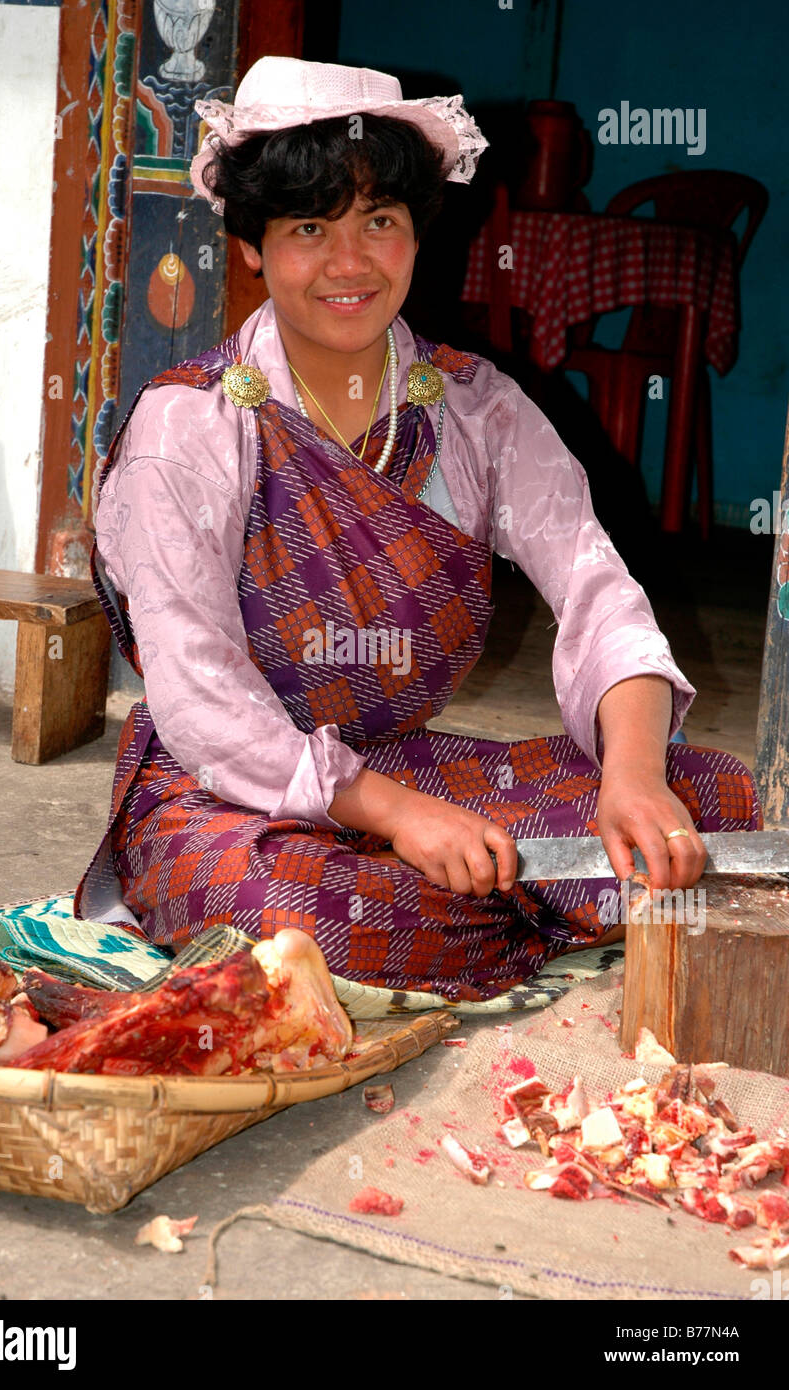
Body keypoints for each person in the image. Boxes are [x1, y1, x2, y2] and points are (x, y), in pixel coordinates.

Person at [75, 57, 759, 1003]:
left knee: (710, 799)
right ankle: (518, 905)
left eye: (380, 223)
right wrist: (395, 818)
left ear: (416, 234)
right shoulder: (190, 427)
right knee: (296, 910)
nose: (350, 263)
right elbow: (198, 697)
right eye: (311, 228)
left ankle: (476, 903)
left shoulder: (479, 410)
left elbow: (601, 596)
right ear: (252, 247)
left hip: (402, 767)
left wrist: (634, 779)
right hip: (229, 798)